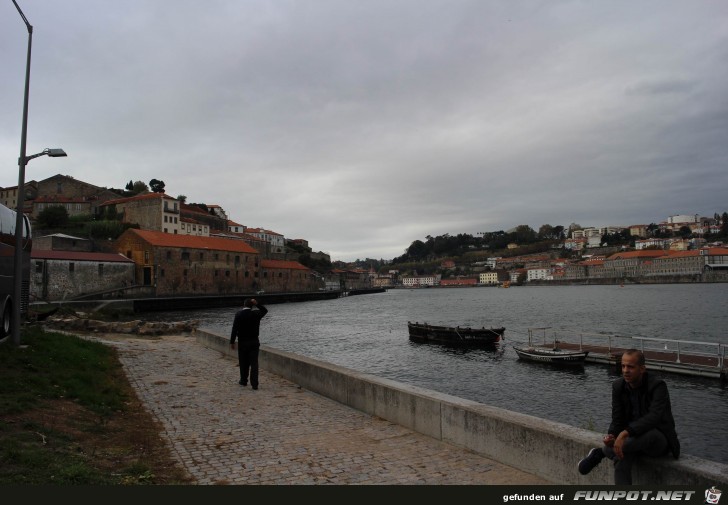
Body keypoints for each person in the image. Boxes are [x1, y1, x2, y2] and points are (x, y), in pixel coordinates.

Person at [578, 348, 680, 484]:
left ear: (642, 368)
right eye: (623, 366)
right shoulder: (618, 386)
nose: (625, 370)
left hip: (657, 441)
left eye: (631, 367)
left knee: (650, 434)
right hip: (631, 441)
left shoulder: (657, 386)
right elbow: (617, 419)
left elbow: (654, 417)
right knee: (621, 459)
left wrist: (625, 433)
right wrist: (612, 436)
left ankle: (602, 452)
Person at [230, 298, 268, 390]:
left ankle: (243, 381)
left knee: (243, 362)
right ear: (252, 305)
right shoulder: (256, 314)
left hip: (242, 342)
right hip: (254, 341)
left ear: (244, 305)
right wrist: (257, 303)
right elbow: (265, 310)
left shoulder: (238, 314)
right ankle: (254, 384)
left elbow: (234, 329)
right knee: (254, 363)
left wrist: (232, 341)